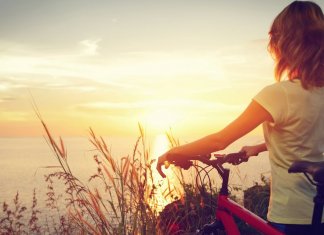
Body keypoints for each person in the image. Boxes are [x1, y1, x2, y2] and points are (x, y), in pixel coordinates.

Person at [156, 1, 324, 234]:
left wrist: (174, 152)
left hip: (291, 215)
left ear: (286, 42)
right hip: (319, 212)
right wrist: (259, 147)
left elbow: (219, 141)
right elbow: (305, 135)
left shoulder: (279, 94)